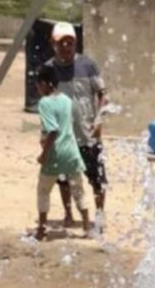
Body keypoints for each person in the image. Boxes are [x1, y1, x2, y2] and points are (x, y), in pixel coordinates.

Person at [43, 22, 110, 232]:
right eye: (61, 43)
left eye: (70, 42)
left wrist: (98, 120)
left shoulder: (88, 66)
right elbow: (46, 102)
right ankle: (68, 214)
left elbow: (103, 95)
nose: (66, 47)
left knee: (97, 179)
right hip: (63, 137)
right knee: (64, 180)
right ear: (53, 43)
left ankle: (98, 217)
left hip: (88, 135)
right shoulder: (48, 69)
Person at [35, 66, 89, 240]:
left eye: (38, 84)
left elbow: (52, 131)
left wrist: (44, 154)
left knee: (43, 190)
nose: (37, 88)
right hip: (72, 151)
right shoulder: (66, 100)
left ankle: (42, 229)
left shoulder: (44, 103)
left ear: (44, 83)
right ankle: (87, 227)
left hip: (55, 153)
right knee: (79, 191)